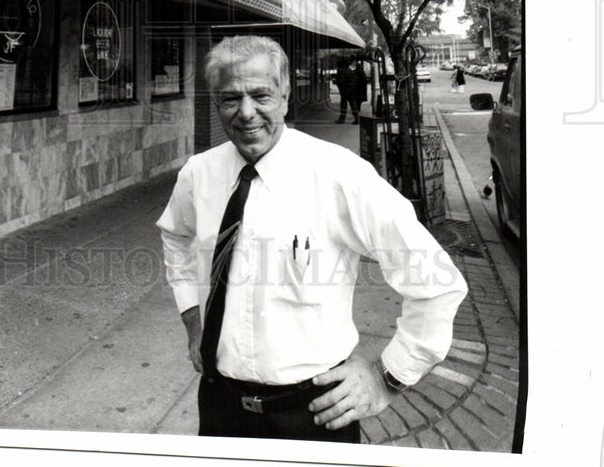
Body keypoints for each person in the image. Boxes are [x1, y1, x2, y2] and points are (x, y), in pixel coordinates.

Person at [157, 36, 468, 443]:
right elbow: (176, 238)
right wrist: (192, 318)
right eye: (230, 98)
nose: (246, 112)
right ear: (215, 103)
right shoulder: (198, 174)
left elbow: (437, 282)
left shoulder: (340, 175)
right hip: (220, 408)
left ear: (285, 95)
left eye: (261, 95)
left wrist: (387, 377)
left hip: (314, 416)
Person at [335, 59, 361, 124]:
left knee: (343, 105)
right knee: (353, 104)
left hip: (345, 90)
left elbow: (341, 81)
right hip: (351, 90)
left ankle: (342, 119)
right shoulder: (350, 71)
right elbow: (355, 79)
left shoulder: (342, 71)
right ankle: (357, 118)